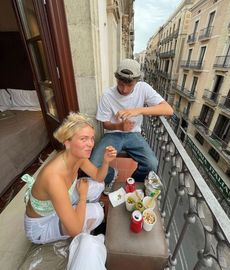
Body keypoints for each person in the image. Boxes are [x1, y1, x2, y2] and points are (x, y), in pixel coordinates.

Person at [22, 112, 117, 244]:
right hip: (41, 226)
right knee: (98, 212)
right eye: (84, 139)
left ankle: (76, 212)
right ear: (67, 143)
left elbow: (98, 176)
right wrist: (82, 197)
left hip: (57, 204)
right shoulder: (54, 178)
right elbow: (75, 230)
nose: (90, 144)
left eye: (91, 138)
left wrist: (106, 161)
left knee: (98, 185)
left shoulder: (78, 156)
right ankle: (79, 214)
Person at [90, 58, 173, 195]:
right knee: (93, 164)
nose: (124, 89)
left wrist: (138, 110)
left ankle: (132, 182)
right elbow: (105, 124)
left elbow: (168, 110)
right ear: (116, 79)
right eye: (121, 84)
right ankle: (111, 175)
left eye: (130, 85)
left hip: (134, 134)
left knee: (152, 164)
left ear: (137, 81)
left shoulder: (143, 88)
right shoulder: (107, 96)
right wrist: (120, 126)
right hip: (113, 134)